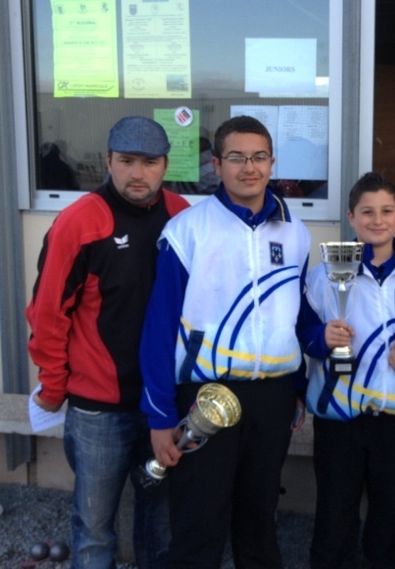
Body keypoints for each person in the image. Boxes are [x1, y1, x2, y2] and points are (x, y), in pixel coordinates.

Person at [139, 115, 310, 568]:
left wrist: (296, 387)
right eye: (236, 157)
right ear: (217, 163)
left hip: (272, 397)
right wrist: (159, 416)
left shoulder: (296, 232)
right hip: (205, 396)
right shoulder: (188, 230)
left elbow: (297, 314)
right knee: (198, 524)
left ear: (272, 163)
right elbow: (159, 327)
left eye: (258, 157)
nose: (248, 167)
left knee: (258, 520)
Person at [26, 116, 190, 568]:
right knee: (95, 530)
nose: (138, 174)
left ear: (165, 164)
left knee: (160, 526)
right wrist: (54, 387)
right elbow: (46, 314)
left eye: (150, 162)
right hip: (99, 409)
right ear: (108, 161)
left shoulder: (184, 216)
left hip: (164, 402)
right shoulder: (78, 221)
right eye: (127, 161)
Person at [301, 172, 395, 568]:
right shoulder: (324, 274)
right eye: (367, 212)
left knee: (390, 514)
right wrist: (320, 337)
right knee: (334, 513)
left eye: (386, 211)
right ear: (351, 216)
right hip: (339, 421)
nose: (376, 220)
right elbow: (301, 331)